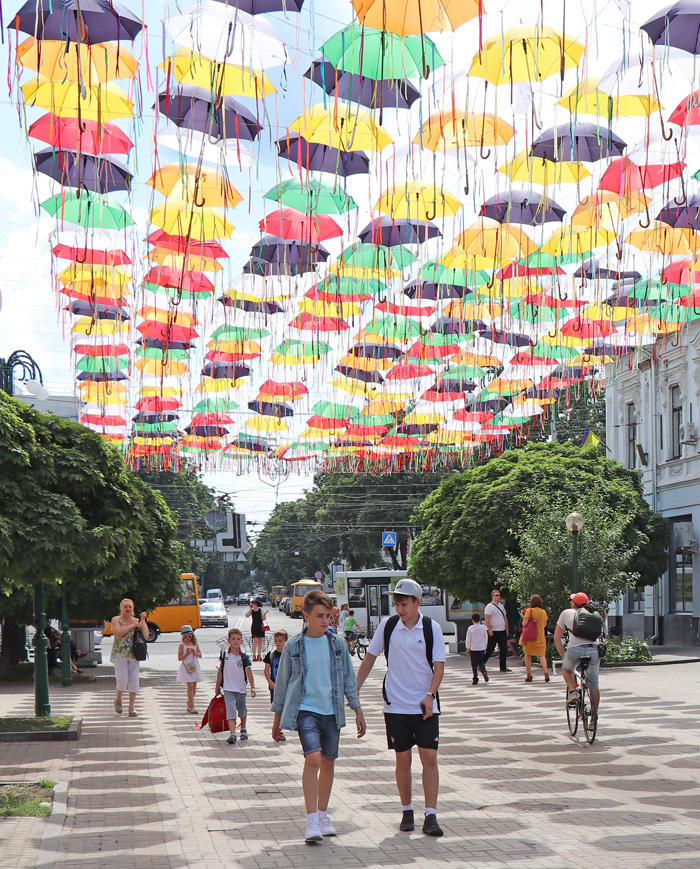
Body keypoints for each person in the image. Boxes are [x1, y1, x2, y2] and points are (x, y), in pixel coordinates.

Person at [271, 589, 366, 844]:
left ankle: (323, 815)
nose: (326, 621)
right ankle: (311, 818)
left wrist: (357, 709)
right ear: (307, 616)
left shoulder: (336, 644)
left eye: (328, 616)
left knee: (328, 762)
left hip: (332, 711)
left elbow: (348, 679)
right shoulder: (293, 646)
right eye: (320, 616)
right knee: (312, 759)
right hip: (306, 711)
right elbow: (282, 684)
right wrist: (276, 719)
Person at [356, 578, 446, 838]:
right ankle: (407, 811)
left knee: (429, 758)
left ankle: (431, 815)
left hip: (425, 706)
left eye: (404, 604)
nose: (400, 609)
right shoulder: (388, 626)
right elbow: (370, 658)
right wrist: (355, 689)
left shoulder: (432, 628)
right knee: (402, 759)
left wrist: (430, 695)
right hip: (395, 705)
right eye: (396, 604)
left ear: (418, 603)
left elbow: (439, 666)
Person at [554, 592, 602, 723]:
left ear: (574, 603)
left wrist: (564, 657)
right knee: (594, 684)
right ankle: (594, 717)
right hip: (593, 649)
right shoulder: (594, 614)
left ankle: (573, 691)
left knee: (567, 670)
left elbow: (556, 638)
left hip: (574, 650)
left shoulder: (566, 612)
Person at [215, 628, 256, 744]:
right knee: (230, 711)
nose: (236, 641)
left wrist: (252, 686)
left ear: (241, 641)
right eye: (233, 639)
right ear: (229, 641)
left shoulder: (244, 657)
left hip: (241, 688)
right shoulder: (224, 655)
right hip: (228, 688)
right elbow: (221, 671)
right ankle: (232, 734)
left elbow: (249, 672)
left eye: (238, 639)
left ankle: (243, 728)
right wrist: (217, 686)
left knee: (242, 710)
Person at [110, 599, 148, 718]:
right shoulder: (116, 619)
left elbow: (146, 635)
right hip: (120, 653)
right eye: (125, 606)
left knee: (134, 680)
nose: (128, 608)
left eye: (130, 606)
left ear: (133, 608)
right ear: (121, 608)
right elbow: (118, 632)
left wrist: (142, 620)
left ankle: (131, 707)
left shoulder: (136, 621)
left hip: (134, 654)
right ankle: (118, 699)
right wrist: (132, 626)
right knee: (122, 679)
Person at [521, 595, 549, 683]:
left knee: (527, 654)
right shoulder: (543, 612)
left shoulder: (530, 610)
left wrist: (524, 621)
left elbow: (524, 623)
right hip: (540, 636)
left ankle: (529, 674)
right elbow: (544, 625)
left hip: (530, 637)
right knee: (542, 655)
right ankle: (546, 672)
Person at [264, 629, 288, 730]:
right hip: (274, 685)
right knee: (277, 707)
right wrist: (270, 682)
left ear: (286, 641)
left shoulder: (288, 654)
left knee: (285, 707)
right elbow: (266, 670)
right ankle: (278, 729)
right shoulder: (271, 654)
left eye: (280, 641)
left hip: (286, 685)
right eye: (276, 641)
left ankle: (280, 728)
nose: (277, 643)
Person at [177, 625, 203, 714]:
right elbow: (180, 658)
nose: (188, 638)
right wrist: (187, 654)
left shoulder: (195, 644)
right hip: (186, 667)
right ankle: (192, 706)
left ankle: (189, 703)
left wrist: (194, 652)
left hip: (194, 666)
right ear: (182, 636)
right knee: (190, 687)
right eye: (185, 636)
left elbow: (200, 655)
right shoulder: (182, 645)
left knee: (194, 687)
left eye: (189, 636)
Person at [484, 589, 510, 673]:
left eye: (499, 595)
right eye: (496, 595)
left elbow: (505, 618)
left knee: (503, 649)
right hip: (494, 630)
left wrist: (506, 629)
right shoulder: (489, 606)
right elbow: (487, 618)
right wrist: (489, 629)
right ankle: (481, 664)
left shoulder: (501, 606)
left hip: (501, 630)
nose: (498, 597)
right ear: (492, 596)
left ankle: (503, 667)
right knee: (490, 649)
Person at [465, 613, 489, 685]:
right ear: (480, 620)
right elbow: (486, 638)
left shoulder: (470, 628)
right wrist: (485, 647)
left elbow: (468, 639)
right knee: (481, 662)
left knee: (474, 664)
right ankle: (483, 670)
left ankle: (475, 678)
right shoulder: (484, 628)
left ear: (472, 620)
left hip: (473, 648)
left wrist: (468, 647)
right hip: (481, 647)